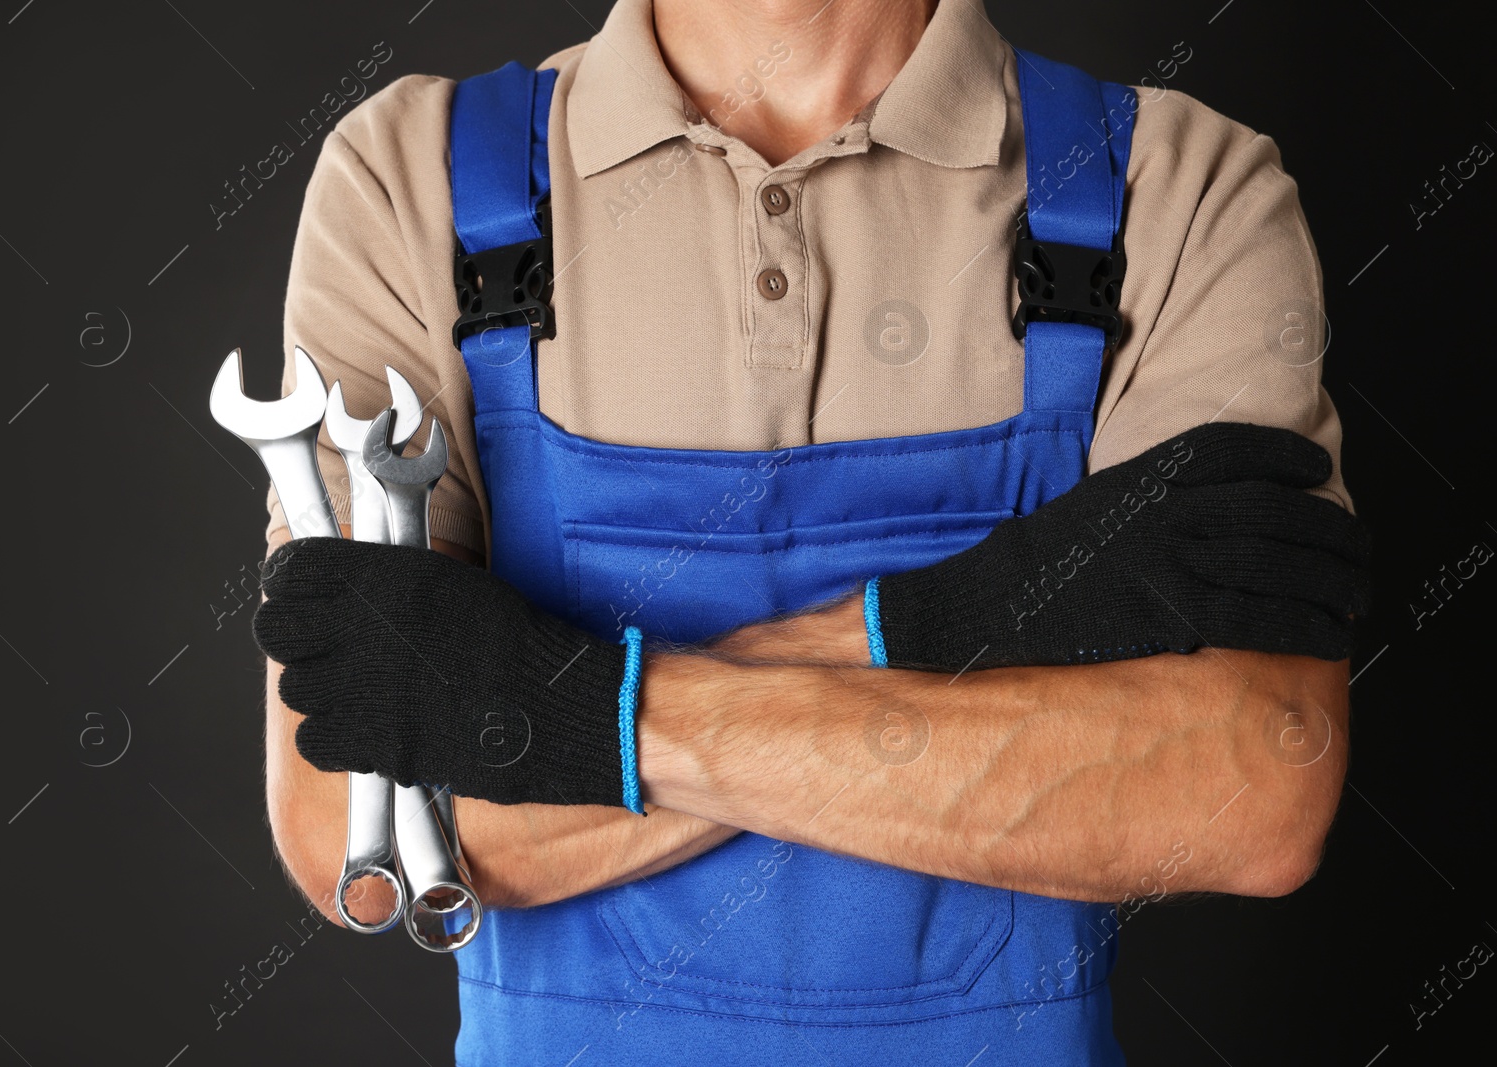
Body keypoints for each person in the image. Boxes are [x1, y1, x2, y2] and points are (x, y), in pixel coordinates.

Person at [251, 0, 1367, 1061]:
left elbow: (1252, 790)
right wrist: (967, 615)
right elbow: (355, 826)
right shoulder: (415, 179)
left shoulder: (1178, 186)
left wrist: (557, 709)